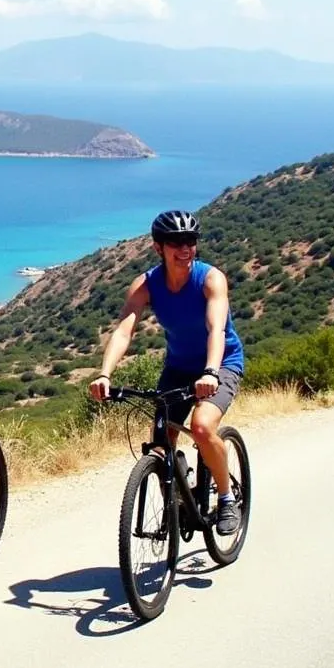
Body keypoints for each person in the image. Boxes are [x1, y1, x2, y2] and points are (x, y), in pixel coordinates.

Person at [89, 209, 245, 535]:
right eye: (176, 242)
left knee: (201, 427)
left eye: (190, 240)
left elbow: (216, 329)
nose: (185, 248)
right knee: (160, 443)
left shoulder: (210, 279)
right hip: (177, 367)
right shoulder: (147, 285)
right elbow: (123, 331)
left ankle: (227, 498)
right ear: (158, 247)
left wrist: (211, 372)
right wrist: (105, 374)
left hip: (222, 363)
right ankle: (176, 507)